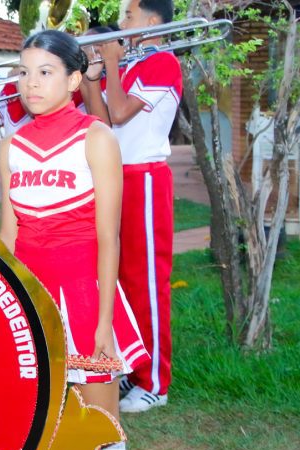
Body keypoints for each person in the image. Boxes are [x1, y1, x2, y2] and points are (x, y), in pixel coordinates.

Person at [0, 30, 149, 450]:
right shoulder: (12, 144)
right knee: (37, 427)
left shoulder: (97, 138)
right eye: (25, 72)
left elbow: (110, 239)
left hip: (84, 296)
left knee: (100, 427)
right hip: (29, 302)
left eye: (45, 72)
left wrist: (103, 321)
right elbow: (9, 234)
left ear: (75, 79)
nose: (31, 84)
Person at [82, 0, 181, 413]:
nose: (121, 24)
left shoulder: (162, 62)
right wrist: (91, 75)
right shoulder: (133, 63)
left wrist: (113, 64)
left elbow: (120, 113)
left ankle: (155, 382)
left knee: (146, 283)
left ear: (153, 20)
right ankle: (130, 369)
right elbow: (100, 120)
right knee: (117, 281)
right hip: (115, 176)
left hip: (144, 177)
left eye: (128, 16)